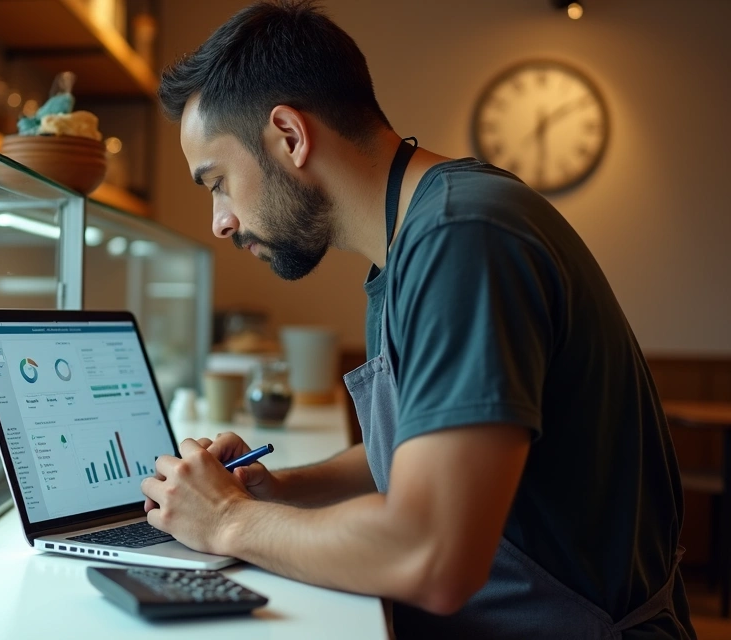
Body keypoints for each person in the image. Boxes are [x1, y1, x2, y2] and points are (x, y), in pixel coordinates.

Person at [139, 1, 695, 637]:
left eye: (216, 182)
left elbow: (432, 554)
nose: (221, 222)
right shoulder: (418, 238)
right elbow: (430, 447)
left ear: (290, 136)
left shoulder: (463, 239)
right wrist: (275, 490)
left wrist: (227, 521)